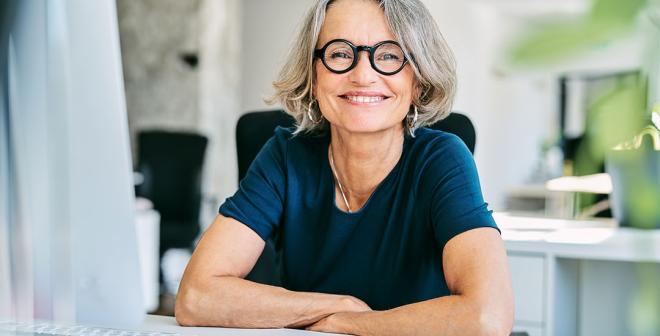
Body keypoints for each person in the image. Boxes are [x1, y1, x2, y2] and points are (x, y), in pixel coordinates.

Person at [175, 0, 514, 334]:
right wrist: (339, 306)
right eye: (339, 53)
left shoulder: (442, 159)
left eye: (389, 56)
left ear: (418, 80)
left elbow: (487, 317)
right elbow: (195, 296)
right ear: (313, 74)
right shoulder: (285, 155)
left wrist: (351, 325)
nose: (363, 75)